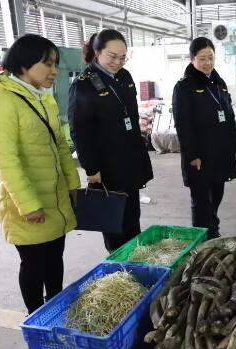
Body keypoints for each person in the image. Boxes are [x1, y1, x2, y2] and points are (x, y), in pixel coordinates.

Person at [0, 34, 80, 314]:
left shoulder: (43, 99)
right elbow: (5, 159)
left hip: (54, 197)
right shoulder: (1, 101)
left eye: (55, 64)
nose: (54, 71)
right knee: (34, 264)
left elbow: (60, 145)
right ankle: (37, 316)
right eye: (47, 64)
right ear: (24, 64)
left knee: (54, 257)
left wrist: (72, 183)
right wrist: (28, 204)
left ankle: (57, 307)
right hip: (27, 203)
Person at [69, 29, 153, 252]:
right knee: (114, 220)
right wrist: (91, 168)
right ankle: (119, 264)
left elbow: (131, 115)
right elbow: (80, 131)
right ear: (97, 52)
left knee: (132, 215)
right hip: (106, 164)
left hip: (130, 159)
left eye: (122, 57)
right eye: (112, 56)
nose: (118, 62)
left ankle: (135, 257)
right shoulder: (83, 85)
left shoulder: (124, 77)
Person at [172, 37, 236, 239]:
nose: (207, 62)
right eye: (202, 58)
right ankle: (201, 239)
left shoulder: (219, 82)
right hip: (199, 157)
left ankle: (213, 231)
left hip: (220, 153)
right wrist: (192, 155)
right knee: (201, 201)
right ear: (192, 59)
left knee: (216, 196)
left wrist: (233, 143)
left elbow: (228, 115)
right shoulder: (184, 87)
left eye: (210, 57)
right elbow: (183, 125)